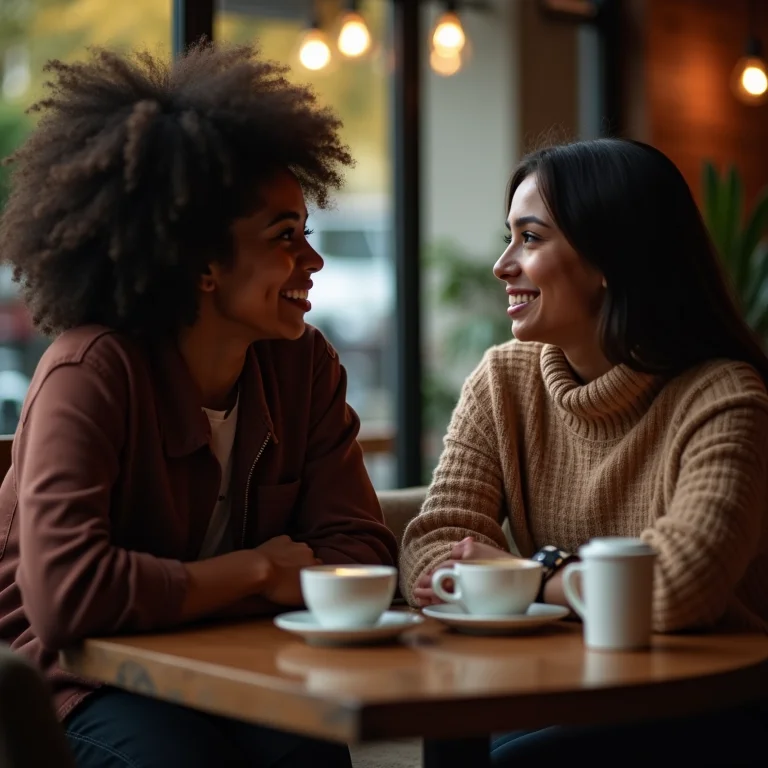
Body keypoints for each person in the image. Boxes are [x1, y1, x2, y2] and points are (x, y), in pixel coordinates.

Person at [0, 43, 398, 768]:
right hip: (67, 681)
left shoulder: (303, 364)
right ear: (201, 265)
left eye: (307, 235)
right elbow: (67, 599)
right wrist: (255, 572)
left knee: (308, 756)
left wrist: (186, 596)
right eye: (285, 238)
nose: (313, 262)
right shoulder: (90, 372)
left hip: (230, 665)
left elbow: (362, 553)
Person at [400, 138, 768, 765]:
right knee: (463, 742)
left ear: (608, 260)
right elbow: (430, 550)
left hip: (712, 705)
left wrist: (528, 574)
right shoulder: (503, 382)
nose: (502, 265)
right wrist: (570, 585)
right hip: (564, 685)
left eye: (531, 238)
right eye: (507, 236)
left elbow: (680, 586)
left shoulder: (725, 395)